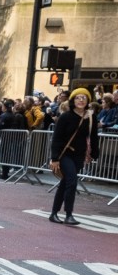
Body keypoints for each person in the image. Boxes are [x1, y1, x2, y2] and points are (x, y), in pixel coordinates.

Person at [49, 88, 100, 226]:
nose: (81, 100)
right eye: (78, 97)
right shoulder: (65, 117)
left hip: (79, 155)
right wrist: (54, 158)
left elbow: (93, 136)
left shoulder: (91, 117)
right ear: (72, 100)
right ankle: (69, 214)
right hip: (65, 154)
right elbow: (57, 138)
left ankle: (54, 213)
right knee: (72, 181)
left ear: (88, 101)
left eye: (84, 97)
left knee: (65, 182)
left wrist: (95, 152)